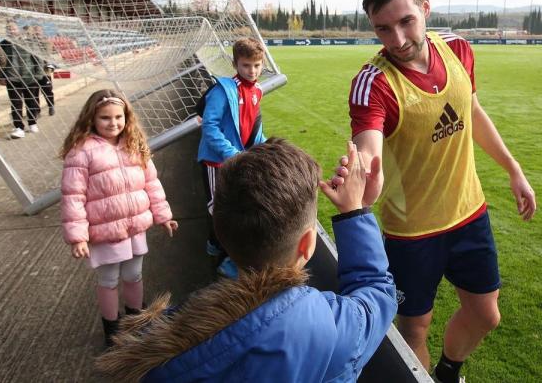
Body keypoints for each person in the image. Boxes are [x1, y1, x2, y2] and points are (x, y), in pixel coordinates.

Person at [337, 0, 537, 382]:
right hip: (412, 235)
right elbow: (370, 151)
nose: (397, 39)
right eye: (383, 29)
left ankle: (448, 372)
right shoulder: (373, 83)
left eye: (406, 22)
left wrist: (513, 168)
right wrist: (365, 182)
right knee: (413, 330)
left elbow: (472, 112)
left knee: (486, 314)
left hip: (469, 213)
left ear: (425, 8)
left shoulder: (458, 48)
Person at [95, 138, 397, 382]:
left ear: (222, 234)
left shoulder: (159, 348)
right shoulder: (323, 324)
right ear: (307, 245)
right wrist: (355, 210)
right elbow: (377, 294)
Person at [59, 89, 179, 346]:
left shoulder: (134, 144)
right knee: (109, 280)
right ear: (91, 118)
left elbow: (152, 184)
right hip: (105, 233)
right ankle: (112, 329)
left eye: (118, 117)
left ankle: (136, 319)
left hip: (135, 227)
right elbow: (73, 197)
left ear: (127, 117)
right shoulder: (81, 152)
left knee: (134, 275)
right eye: (105, 118)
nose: (113, 123)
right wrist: (78, 237)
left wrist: (164, 215)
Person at [196, 37, 266, 278]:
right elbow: (210, 126)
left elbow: (254, 129)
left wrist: (267, 149)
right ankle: (218, 253)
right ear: (236, 64)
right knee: (219, 209)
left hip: (238, 159)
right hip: (216, 161)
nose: (252, 71)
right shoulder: (223, 89)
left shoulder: (257, 91)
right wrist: (231, 153)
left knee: (237, 208)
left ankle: (223, 253)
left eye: (257, 65)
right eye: (247, 65)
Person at [0, 22, 44, 138]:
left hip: (29, 77)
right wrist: (2, 76)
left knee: (31, 101)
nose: (11, 31)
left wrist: (38, 75)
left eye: (13, 28)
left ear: (18, 29)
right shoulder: (3, 44)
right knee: (16, 104)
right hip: (12, 78)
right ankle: (19, 127)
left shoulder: (29, 42)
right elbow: (0, 62)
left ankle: (32, 122)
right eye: (8, 29)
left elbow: (38, 58)